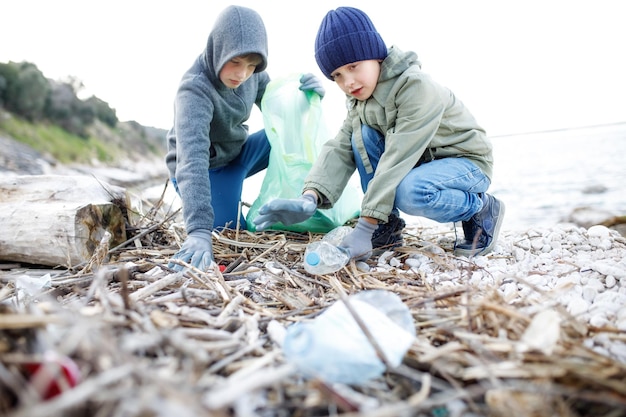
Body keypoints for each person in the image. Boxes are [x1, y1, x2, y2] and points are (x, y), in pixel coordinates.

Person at [254, 6, 505, 261]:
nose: (347, 82)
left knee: (411, 192)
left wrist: (364, 227)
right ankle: (387, 225)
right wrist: (310, 197)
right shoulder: (360, 100)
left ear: (375, 55)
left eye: (353, 66)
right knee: (359, 134)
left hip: (466, 163)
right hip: (420, 162)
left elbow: (396, 157)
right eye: (337, 75)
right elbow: (340, 147)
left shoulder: (416, 88)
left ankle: (481, 209)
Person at [165, 5, 325, 272]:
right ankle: (220, 214)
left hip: (239, 153)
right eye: (236, 62)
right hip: (207, 168)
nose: (242, 74)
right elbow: (191, 162)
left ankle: (305, 199)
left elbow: (281, 113)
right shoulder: (194, 89)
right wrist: (198, 231)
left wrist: (308, 100)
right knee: (228, 231)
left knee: (292, 131)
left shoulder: (255, 75)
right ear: (218, 48)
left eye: (251, 66)